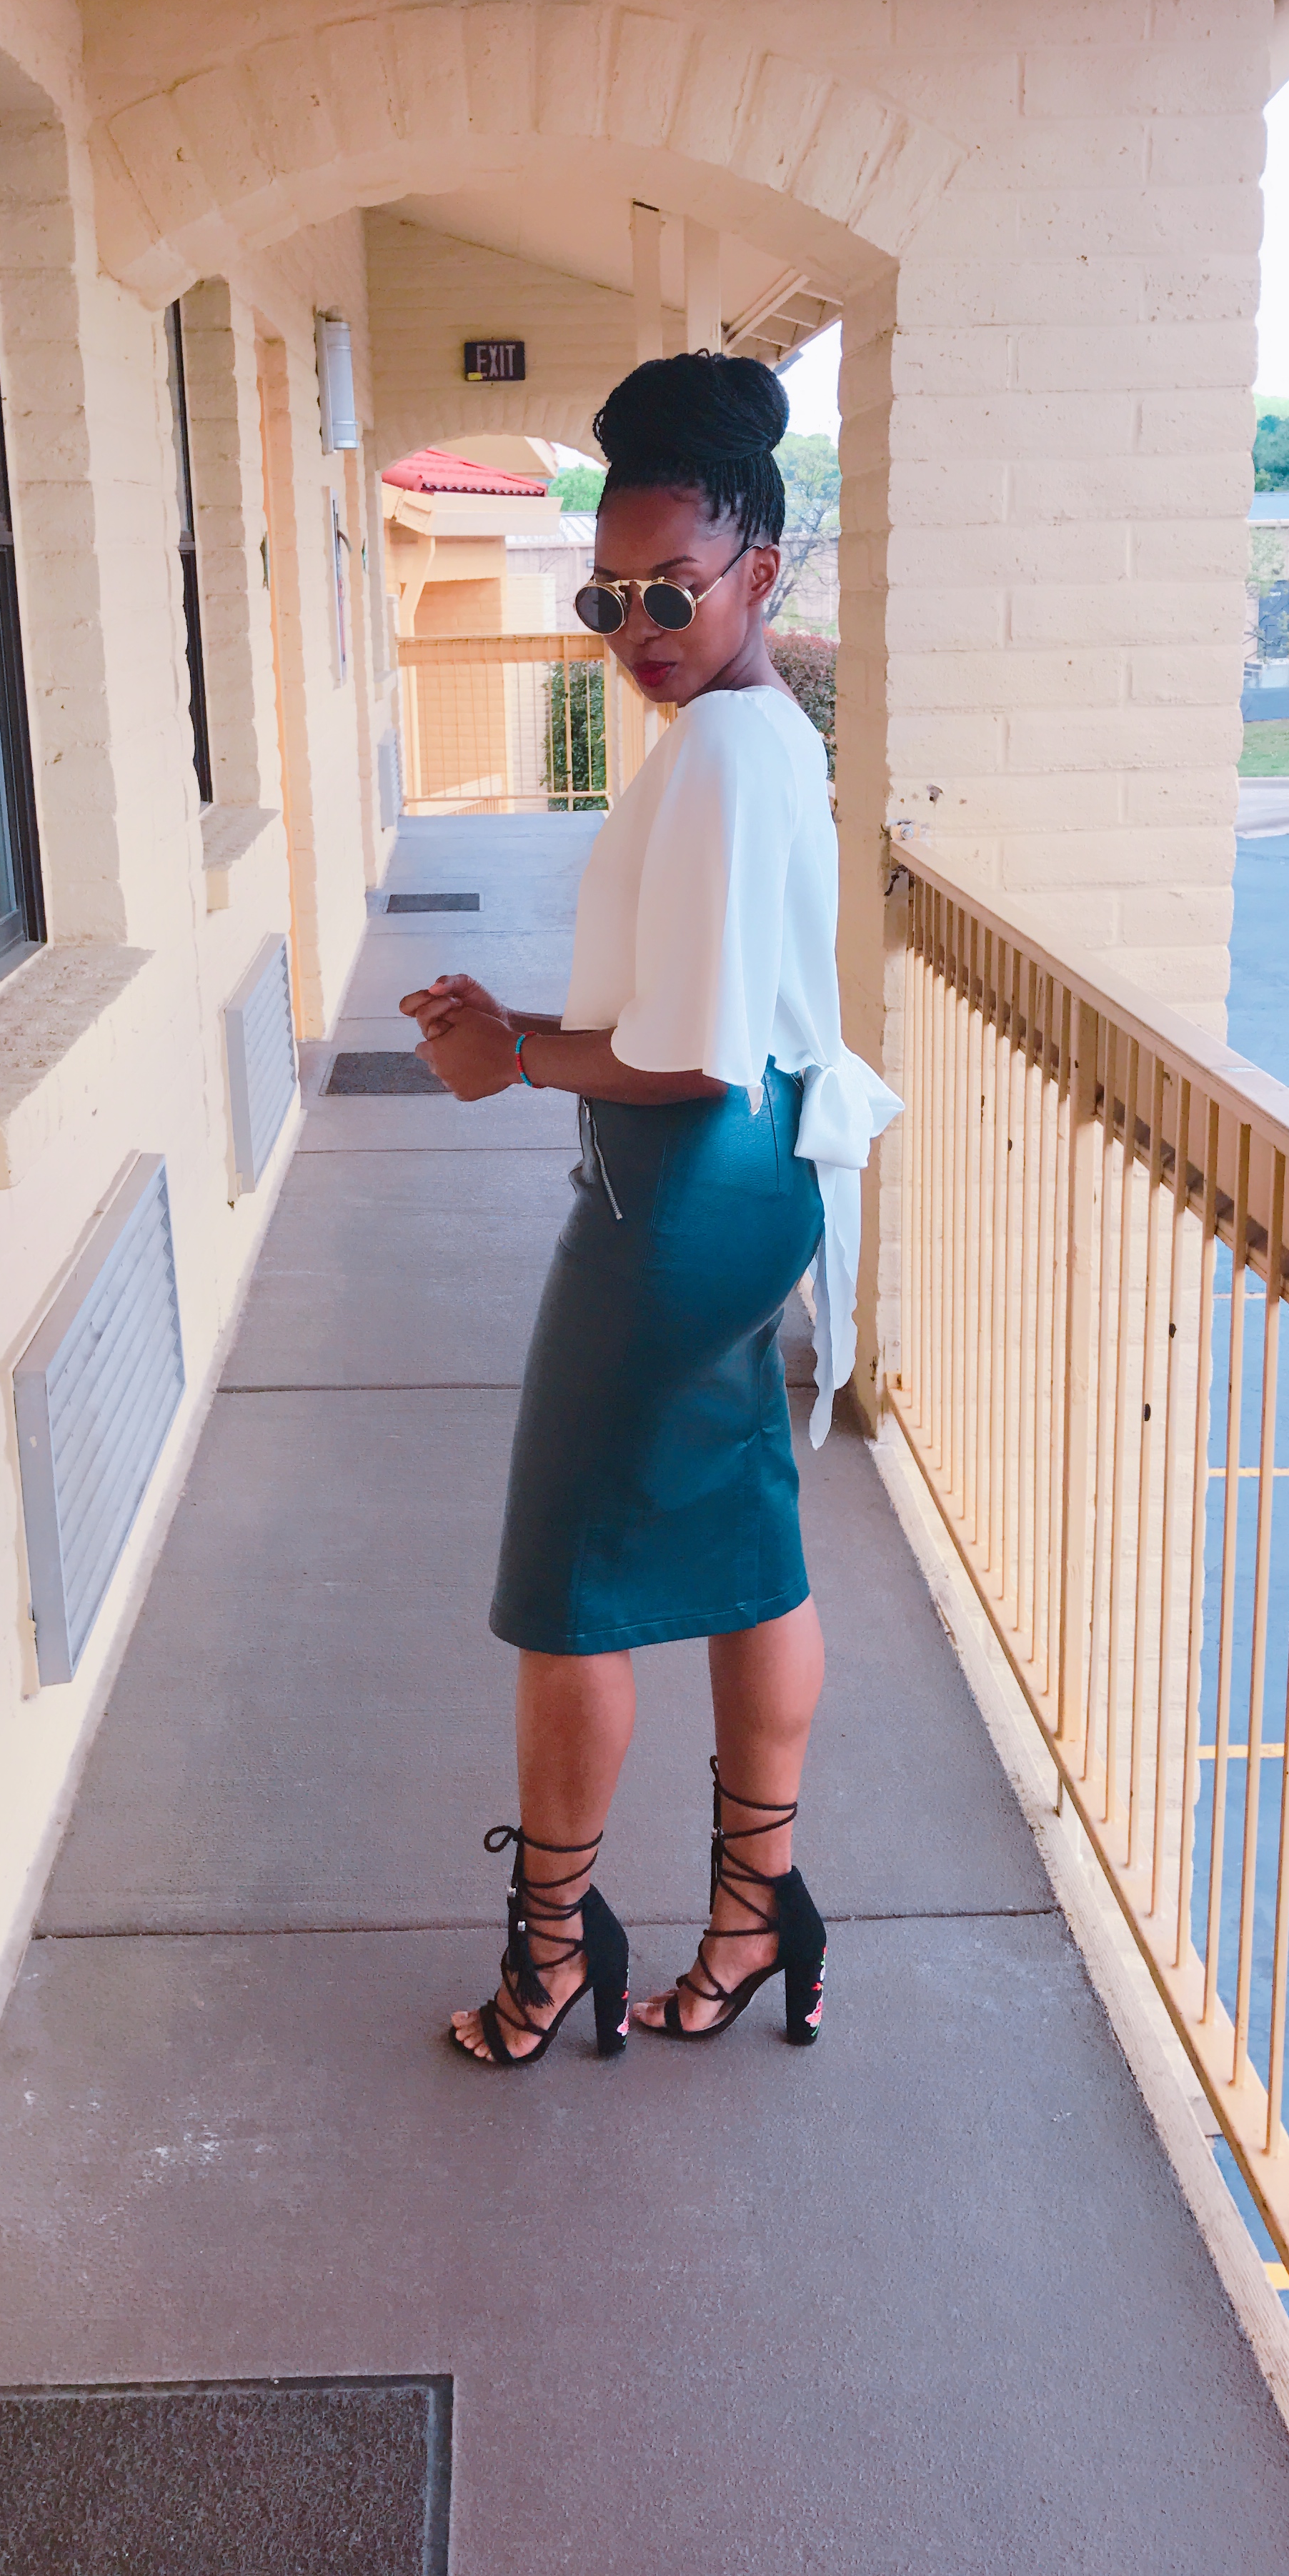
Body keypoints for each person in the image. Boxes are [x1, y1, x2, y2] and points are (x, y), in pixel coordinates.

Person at [400, 351, 900, 2069]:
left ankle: (553, 1955)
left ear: (761, 565)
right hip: (753, 1184)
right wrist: (530, 1027)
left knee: (569, 1581)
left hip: (679, 1198)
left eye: (672, 589)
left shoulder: (725, 758)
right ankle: (754, 1916)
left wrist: (511, 1055)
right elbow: (702, 1008)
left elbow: (685, 1053)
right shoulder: (749, 737)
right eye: (608, 595)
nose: (638, 626)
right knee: (749, 1542)